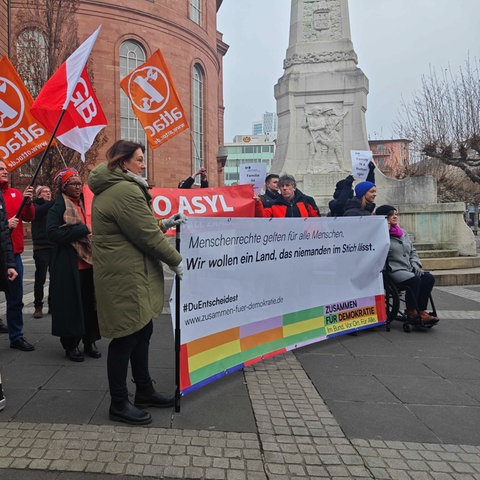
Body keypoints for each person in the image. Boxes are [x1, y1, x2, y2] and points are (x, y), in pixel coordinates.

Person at [88, 140, 184, 426]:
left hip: (129, 274)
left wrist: (164, 223)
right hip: (125, 277)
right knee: (126, 336)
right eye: (139, 159)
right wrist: (176, 261)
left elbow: (139, 227)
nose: (144, 164)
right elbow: (146, 237)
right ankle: (119, 403)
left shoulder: (122, 188)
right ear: (122, 162)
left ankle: (144, 391)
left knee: (142, 330)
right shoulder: (125, 191)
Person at [47, 168, 101, 362]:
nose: (78, 187)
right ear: (64, 186)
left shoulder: (87, 204)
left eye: (79, 183)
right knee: (71, 307)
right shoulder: (57, 207)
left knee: (90, 305)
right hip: (68, 266)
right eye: (73, 183)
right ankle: (71, 345)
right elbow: (53, 234)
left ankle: (90, 341)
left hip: (89, 263)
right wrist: (82, 229)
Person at [376, 204, 439, 324]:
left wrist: (415, 264)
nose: (395, 216)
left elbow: (413, 251)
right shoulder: (381, 235)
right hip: (393, 270)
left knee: (428, 278)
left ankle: (421, 310)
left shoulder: (402, 232)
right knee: (414, 280)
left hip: (408, 268)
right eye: (391, 214)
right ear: (384, 217)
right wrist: (385, 231)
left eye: (396, 214)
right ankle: (411, 311)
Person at [0, 160, 35, 351]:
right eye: (1, 169)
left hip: (13, 255)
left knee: (15, 299)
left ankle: (16, 336)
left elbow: (30, 217)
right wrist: (5, 224)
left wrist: (27, 202)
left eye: (6, 169)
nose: (5, 171)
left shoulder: (15, 194)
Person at [31, 185, 55, 318]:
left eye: (49, 192)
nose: (48, 194)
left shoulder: (53, 207)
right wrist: (52, 203)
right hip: (41, 247)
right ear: (39, 194)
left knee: (54, 278)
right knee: (40, 278)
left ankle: (52, 305)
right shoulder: (35, 205)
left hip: (53, 246)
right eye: (45, 192)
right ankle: (38, 306)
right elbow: (37, 213)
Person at [255, 174, 320, 218]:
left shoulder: (307, 201)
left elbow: (316, 220)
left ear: (294, 187)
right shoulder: (275, 204)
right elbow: (262, 217)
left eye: (287, 185)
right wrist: (257, 203)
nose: (284, 188)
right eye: (282, 186)